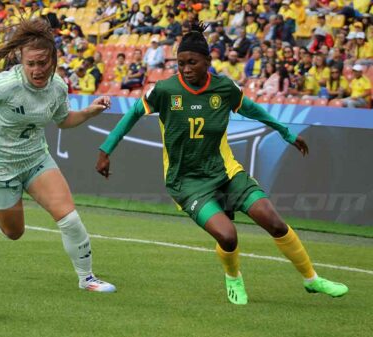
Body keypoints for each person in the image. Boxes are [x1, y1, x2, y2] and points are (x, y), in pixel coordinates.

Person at [95, 23, 348, 305]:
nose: (186, 68)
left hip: (226, 173)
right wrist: (106, 149)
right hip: (186, 182)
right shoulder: (165, 90)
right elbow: (131, 115)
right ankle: (233, 277)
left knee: (275, 222)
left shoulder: (224, 88)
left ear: (208, 62)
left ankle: (312, 279)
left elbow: (253, 109)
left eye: (192, 62)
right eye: (180, 63)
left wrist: (285, 132)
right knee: (228, 236)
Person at [0, 18, 115, 293]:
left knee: (70, 219)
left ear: (53, 60)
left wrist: (90, 112)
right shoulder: (6, 84)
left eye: (43, 63)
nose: (37, 70)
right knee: (14, 233)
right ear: (22, 61)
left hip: (36, 160)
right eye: (31, 64)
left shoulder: (58, 87)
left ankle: (87, 278)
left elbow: (63, 120)